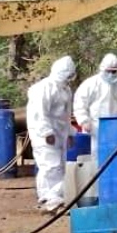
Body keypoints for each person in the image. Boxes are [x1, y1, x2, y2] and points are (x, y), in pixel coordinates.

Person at [26, 55, 77, 212]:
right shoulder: (43, 88)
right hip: (44, 134)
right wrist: (46, 132)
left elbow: (67, 114)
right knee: (49, 165)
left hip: (60, 132)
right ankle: (48, 199)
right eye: (68, 75)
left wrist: (69, 134)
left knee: (60, 165)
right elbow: (39, 114)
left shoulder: (65, 90)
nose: (69, 78)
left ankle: (56, 198)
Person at [72, 53, 117, 164]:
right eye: (108, 71)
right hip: (94, 128)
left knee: (114, 158)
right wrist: (84, 121)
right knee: (95, 158)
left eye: (113, 71)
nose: (110, 74)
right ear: (102, 69)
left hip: (115, 129)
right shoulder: (91, 84)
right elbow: (79, 103)